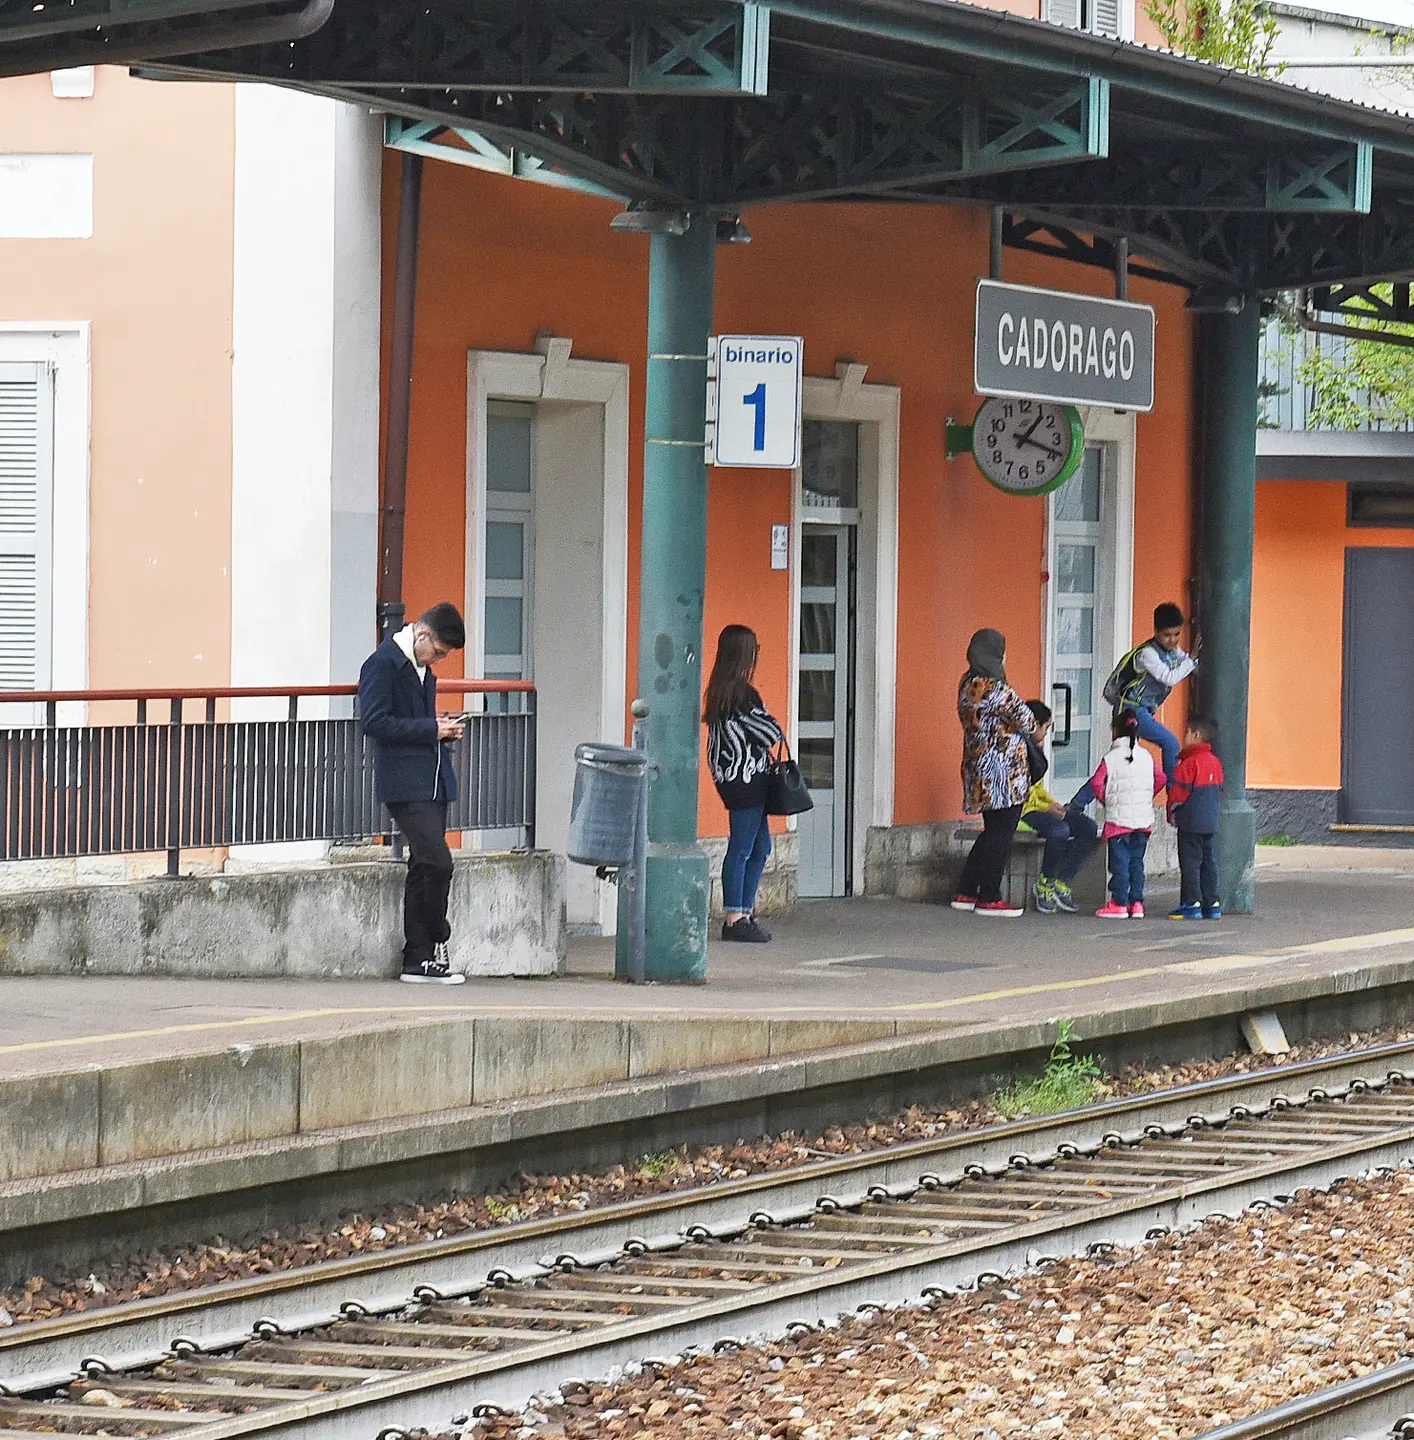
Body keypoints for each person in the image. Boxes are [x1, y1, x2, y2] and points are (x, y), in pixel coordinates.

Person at [358, 603, 468, 984]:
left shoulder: (422, 669)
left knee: (423, 866)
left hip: (432, 779)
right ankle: (436, 938)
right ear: (422, 635)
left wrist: (438, 727)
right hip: (404, 783)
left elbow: (416, 723)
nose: (439, 659)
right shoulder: (382, 664)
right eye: (438, 652)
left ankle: (418, 959)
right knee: (438, 863)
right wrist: (430, 729)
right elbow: (374, 722)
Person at [704, 624, 784, 944]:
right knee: (743, 848)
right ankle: (736, 917)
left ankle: (744, 913)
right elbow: (770, 732)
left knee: (758, 847)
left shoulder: (720, 691)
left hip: (735, 778)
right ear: (744, 655)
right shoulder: (743, 693)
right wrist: (772, 725)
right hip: (747, 778)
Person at [952, 628, 1036, 918]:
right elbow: (1028, 721)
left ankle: (966, 889)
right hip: (1005, 772)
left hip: (978, 767)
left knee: (992, 831)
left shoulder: (967, 684)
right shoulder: (997, 689)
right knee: (1002, 832)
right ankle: (989, 895)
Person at [1070, 708, 1166, 919]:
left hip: (1118, 822)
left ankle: (1119, 903)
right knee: (1136, 863)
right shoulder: (1147, 757)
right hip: (1143, 821)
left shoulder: (1111, 758)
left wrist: (1106, 798)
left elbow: (1096, 782)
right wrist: (1145, 796)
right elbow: (1161, 778)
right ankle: (1137, 903)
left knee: (1120, 863)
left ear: (1114, 731)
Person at [1105, 601, 1200, 783]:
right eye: (1167, 635)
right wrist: (1192, 659)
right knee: (1170, 743)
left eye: (1176, 634)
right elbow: (1169, 677)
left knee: (1126, 760)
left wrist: (1194, 659)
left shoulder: (1173, 650)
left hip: (1144, 709)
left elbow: (1186, 662)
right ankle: (1174, 796)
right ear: (1155, 631)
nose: (1172, 640)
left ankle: (1083, 800)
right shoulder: (1147, 654)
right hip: (1130, 709)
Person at [1019, 699, 1099, 915]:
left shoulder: (1034, 749)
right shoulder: (1017, 749)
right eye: (1045, 728)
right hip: (1023, 813)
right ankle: (1045, 882)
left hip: (1039, 807)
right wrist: (1047, 810)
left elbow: (1037, 788)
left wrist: (1052, 804)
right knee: (1059, 830)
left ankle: (1063, 881)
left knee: (1088, 827)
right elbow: (1022, 794)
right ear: (1033, 724)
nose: (1046, 735)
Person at [1167, 715, 1225, 921]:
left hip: (1190, 822)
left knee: (1190, 863)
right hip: (1210, 821)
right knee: (1208, 862)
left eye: (1187, 733)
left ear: (1196, 735)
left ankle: (1191, 903)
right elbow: (1220, 792)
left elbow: (1178, 795)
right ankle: (1213, 903)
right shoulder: (1216, 763)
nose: (1184, 737)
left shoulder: (1188, 764)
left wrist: (1172, 814)